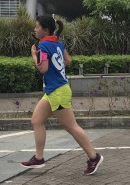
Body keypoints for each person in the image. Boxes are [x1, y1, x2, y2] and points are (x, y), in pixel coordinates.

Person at [21, 15, 103, 175]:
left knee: (71, 126)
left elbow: (43, 69)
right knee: (37, 121)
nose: (34, 29)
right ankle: (38, 158)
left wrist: (34, 55)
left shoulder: (43, 46)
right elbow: (68, 61)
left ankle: (94, 157)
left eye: (37, 27)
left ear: (45, 30)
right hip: (55, 90)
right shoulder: (57, 42)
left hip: (57, 91)